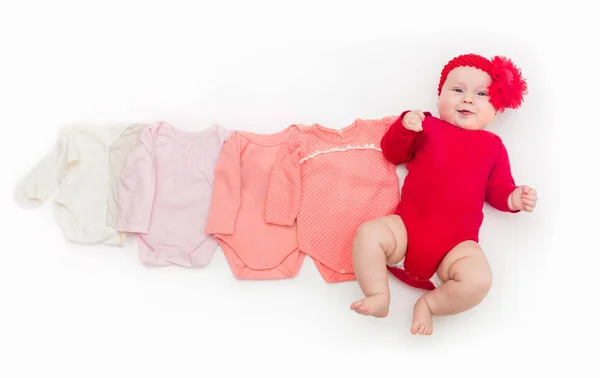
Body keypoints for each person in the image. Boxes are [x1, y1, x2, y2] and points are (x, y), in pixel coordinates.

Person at [350, 53, 537, 335]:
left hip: (454, 249)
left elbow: (497, 189)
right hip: (405, 231)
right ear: (440, 97)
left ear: (496, 110)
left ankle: (430, 305)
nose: (467, 99)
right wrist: (404, 127)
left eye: (481, 94)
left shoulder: (493, 146)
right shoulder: (428, 126)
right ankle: (378, 295)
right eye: (457, 90)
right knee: (368, 233)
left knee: (479, 280)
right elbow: (393, 153)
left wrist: (513, 198)